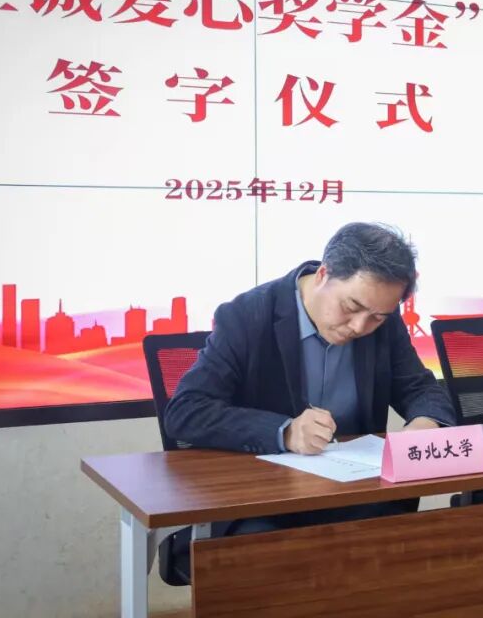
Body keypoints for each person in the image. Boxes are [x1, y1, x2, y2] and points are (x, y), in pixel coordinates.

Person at [162, 222, 456, 580]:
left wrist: (427, 422)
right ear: (323, 275)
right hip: (264, 504)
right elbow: (186, 410)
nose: (359, 326)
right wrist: (284, 432)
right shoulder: (248, 315)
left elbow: (422, 389)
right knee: (273, 561)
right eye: (351, 306)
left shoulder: (383, 320)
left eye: (376, 317)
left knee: (424, 550)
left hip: (353, 497)